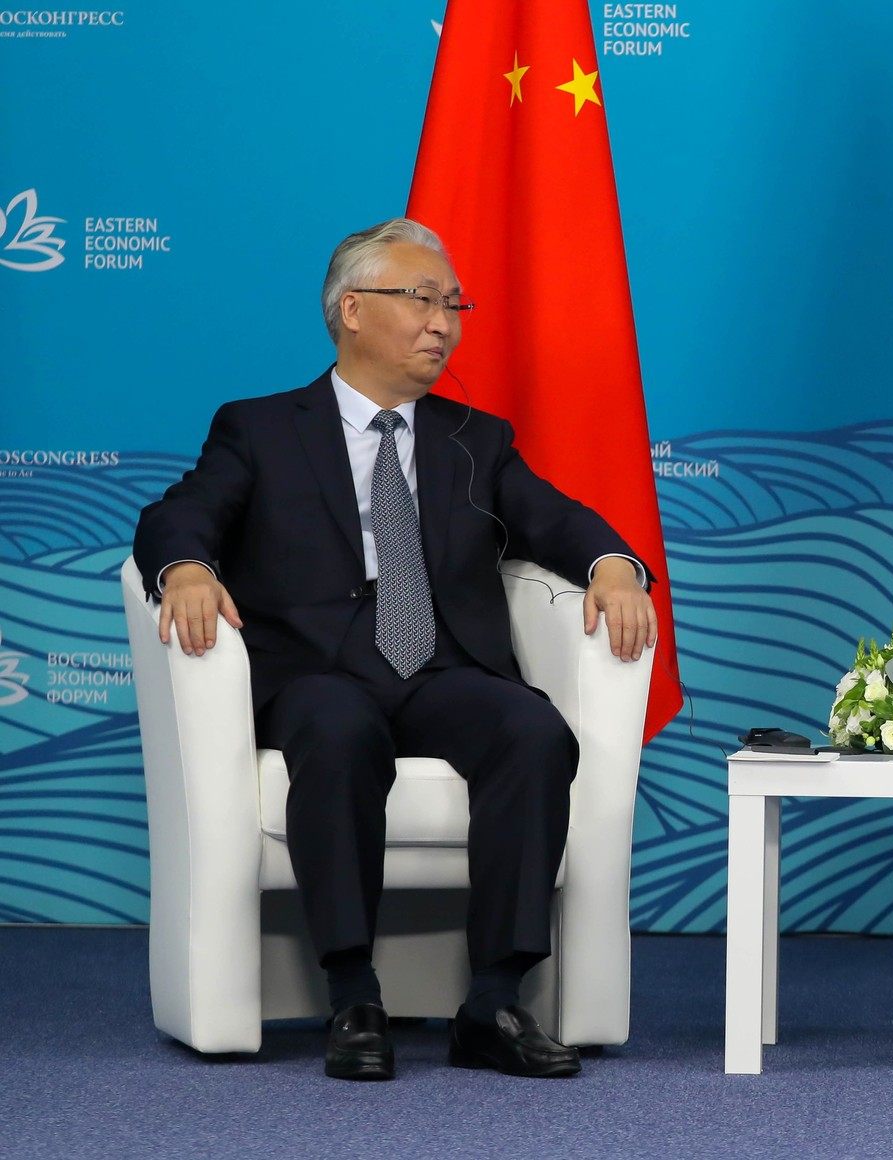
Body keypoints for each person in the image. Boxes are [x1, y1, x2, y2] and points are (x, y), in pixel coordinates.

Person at [133, 218, 657, 1081]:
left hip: (442, 669)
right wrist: (185, 568)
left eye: (453, 304)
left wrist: (612, 565)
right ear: (350, 310)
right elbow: (182, 512)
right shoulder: (261, 429)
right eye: (420, 300)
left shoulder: (473, 438)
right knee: (337, 731)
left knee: (533, 733)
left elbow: (554, 519)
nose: (442, 323)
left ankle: (493, 998)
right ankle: (352, 992)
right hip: (317, 671)